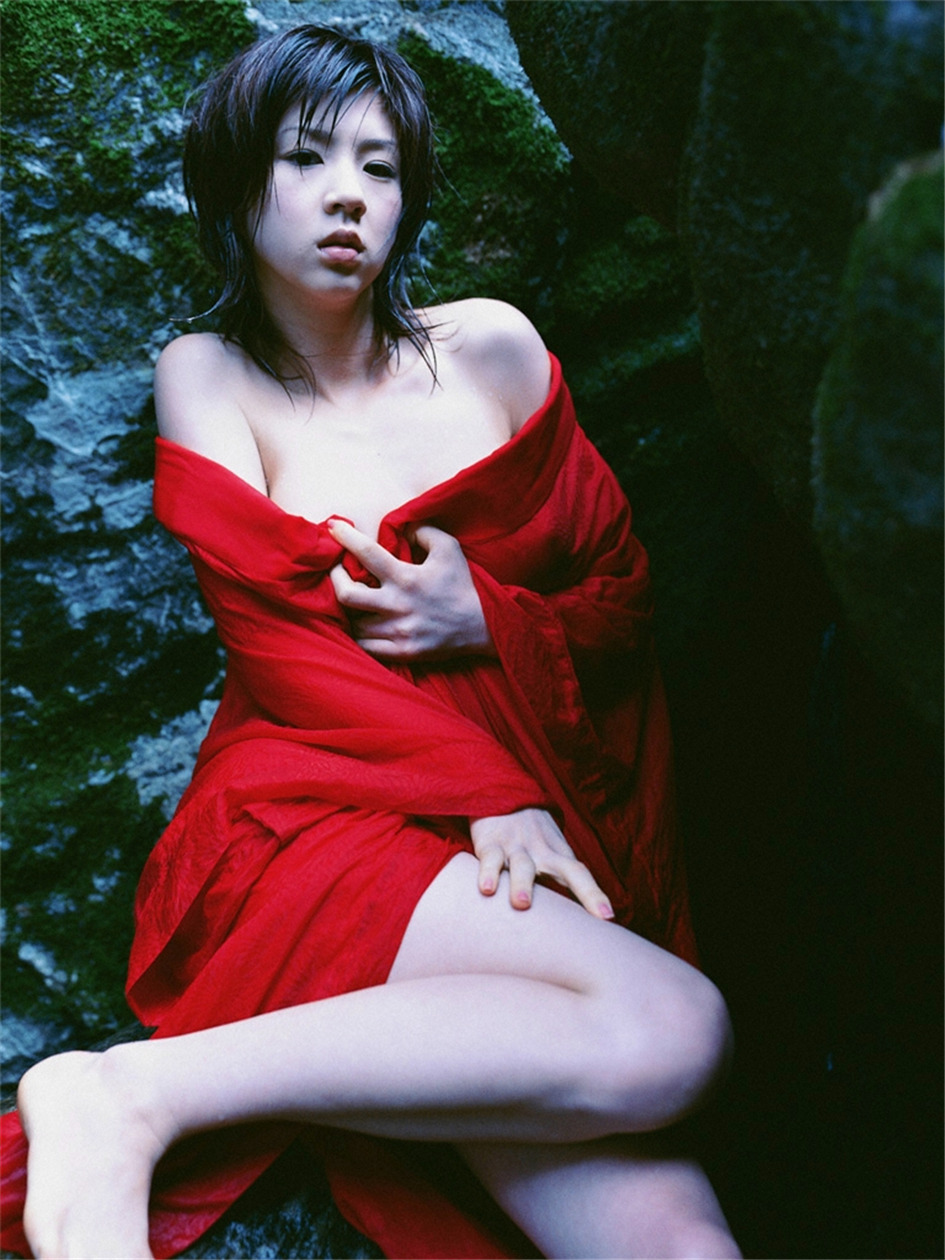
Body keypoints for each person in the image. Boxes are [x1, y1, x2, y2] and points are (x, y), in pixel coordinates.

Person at [1, 24, 740, 1260]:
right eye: (306, 158)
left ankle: (143, 1098)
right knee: (676, 1032)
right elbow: (279, 645)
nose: (348, 192)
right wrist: (490, 791)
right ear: (238, 183)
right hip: (324, 818)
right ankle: (126, 1097)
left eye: (380, 166)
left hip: (521, 838)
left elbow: (621, 597)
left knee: (680, 1243)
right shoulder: (209, 375)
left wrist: (484, 617)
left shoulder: (493, 348)